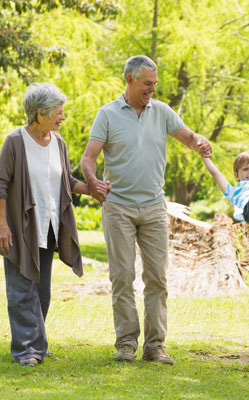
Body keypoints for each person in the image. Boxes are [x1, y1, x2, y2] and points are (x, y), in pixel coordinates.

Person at [80, 55, 212, 364]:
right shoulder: (108, 114)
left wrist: (200, 143)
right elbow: (89, 158)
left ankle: (156, 346)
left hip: (153, 207)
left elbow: (188, 138)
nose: (152, 89)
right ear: (129, 79)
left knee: (157, 278)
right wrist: (93, 181)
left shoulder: (162, 112)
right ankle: (126, 343)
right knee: (122, 276)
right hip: (119, 207)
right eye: (147, 83)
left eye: (155, 83)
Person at [0, 83, 109, 366]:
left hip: (49, 225)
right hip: (20, 228)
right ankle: (27, 350)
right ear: (40, 113)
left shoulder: (58, 143)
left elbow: (66, 181)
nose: (63, 118)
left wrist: (92, 188)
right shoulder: (15, 142)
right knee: (21, 290)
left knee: (42, 291)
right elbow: (0, 184)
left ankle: (33, 343)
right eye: (58, 112)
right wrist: (3, 226)